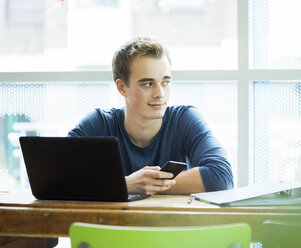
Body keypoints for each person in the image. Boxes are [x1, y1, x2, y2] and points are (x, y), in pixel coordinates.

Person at [68, 37, 233, 194]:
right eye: (148, 84)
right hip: (113, 223)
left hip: (169, 222)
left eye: (166, 82)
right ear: (122, 87)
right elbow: (57, 181)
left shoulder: (185, 119)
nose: (160, 94)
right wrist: (126, 184)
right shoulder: (98, 124)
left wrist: (148, 185)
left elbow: (221, 177)